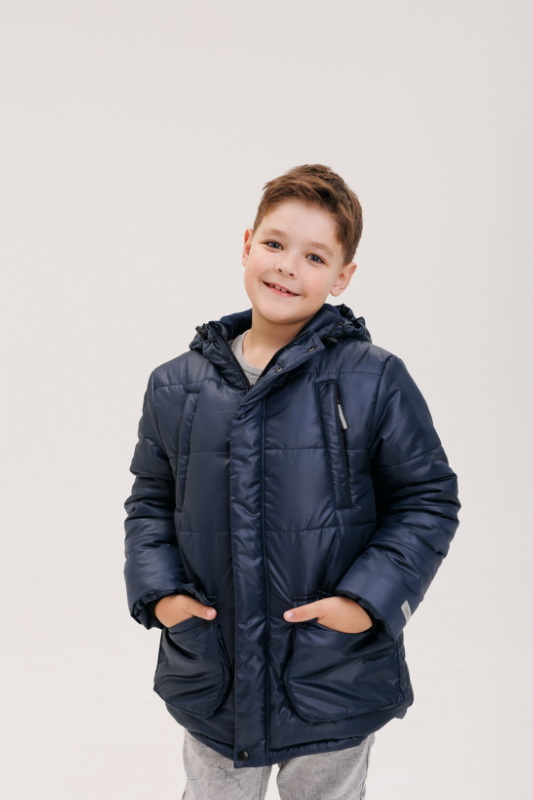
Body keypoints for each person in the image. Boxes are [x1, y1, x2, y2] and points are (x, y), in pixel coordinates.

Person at [124, 164, 460, 799]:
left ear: (342, 276)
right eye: (275, 244)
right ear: (246, 243)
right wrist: (161, 595)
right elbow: (150, 501)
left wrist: (365, 604)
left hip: (332, 674)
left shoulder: (374, 378)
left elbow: (427, 500)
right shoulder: (175, 385)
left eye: (314, 256)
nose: (287, 267)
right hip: (214, 675)